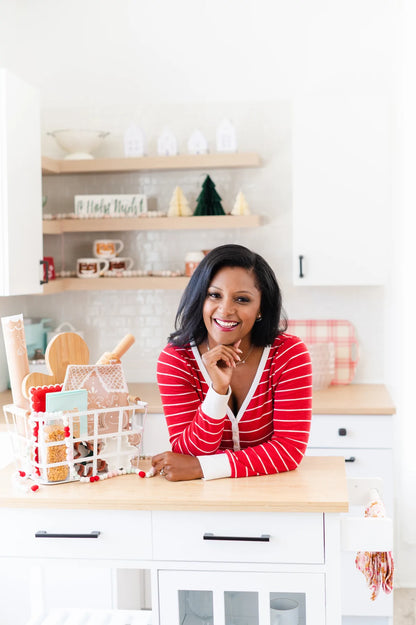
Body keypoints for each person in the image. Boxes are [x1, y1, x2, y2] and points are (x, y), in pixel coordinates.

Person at [151, 244, 312, 481]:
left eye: (242, 299)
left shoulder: (288, 354)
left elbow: (288, 451)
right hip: (203, 502)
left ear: (261, 308)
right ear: (200, 299)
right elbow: (188, 452)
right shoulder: (176, 359)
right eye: (214, 295)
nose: (225, 310)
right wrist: (217, 392)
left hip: (274, 496)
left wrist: (201, 468)